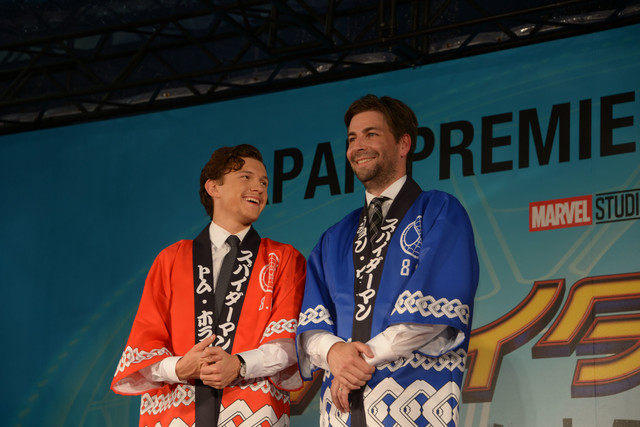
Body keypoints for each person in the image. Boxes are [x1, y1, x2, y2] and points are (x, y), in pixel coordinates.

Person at [296, 95, 479, 427]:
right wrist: (334, 354)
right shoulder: (334, 237)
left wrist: (356, 363)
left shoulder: (438, 211)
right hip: (340, 411)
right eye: (352, 138)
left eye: (371, 134)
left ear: (403, 143)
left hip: (413, 405)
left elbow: (432, 314)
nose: (358, 146)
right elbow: (311, 327)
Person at [112, 144, 306, 427]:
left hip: (252, 413)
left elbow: (288, 343)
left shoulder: (283, 258)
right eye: (246, 177)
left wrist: (239, 365)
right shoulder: (171, 259)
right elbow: (145, 346)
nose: (259, 188)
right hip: (178, 415)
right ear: (214, 187)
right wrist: (180, 368)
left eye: (264, 182)